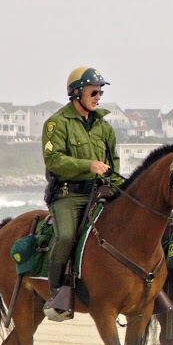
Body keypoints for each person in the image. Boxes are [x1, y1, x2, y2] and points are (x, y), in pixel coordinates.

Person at [42, 66, 121, 322]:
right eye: (94, 91)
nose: (98, 97)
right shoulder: (56, 123)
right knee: (65, 237)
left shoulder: (104, 127)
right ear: (76, 93)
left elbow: (114, 163)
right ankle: (56, 293)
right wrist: (87, 166)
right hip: (68, 196)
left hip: (100, 194)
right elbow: (53, 159)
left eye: (100, 92)